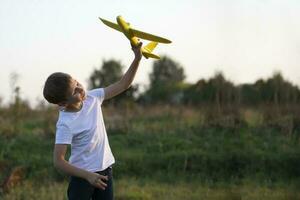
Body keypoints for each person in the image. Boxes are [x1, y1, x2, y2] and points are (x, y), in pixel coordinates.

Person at [43, 42, 143, 200]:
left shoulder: (93, 97)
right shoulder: (65, 123)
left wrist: (137, 58)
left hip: (105, 171)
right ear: (63, 103)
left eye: (77, 83)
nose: (80, 89)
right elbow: (58, 161)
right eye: (74, 91)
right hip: (82, 178)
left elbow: (123, 84)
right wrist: (88, 176)